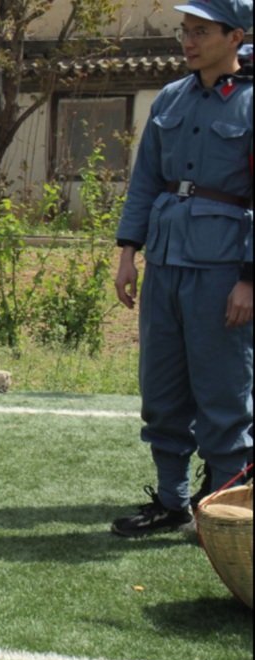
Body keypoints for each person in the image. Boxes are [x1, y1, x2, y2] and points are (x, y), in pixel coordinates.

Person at [111, 0, 252, 538]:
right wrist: (128, 251)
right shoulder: (171, 98)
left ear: (235, 36)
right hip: (166, 261)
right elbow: (145, 179)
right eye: (184, 31)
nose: (188, 41)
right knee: (161, 389)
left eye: (201, 31)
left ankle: (222, 506)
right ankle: (171, 500)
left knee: (222, 391)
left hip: (224, 267)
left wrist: (249, 277)